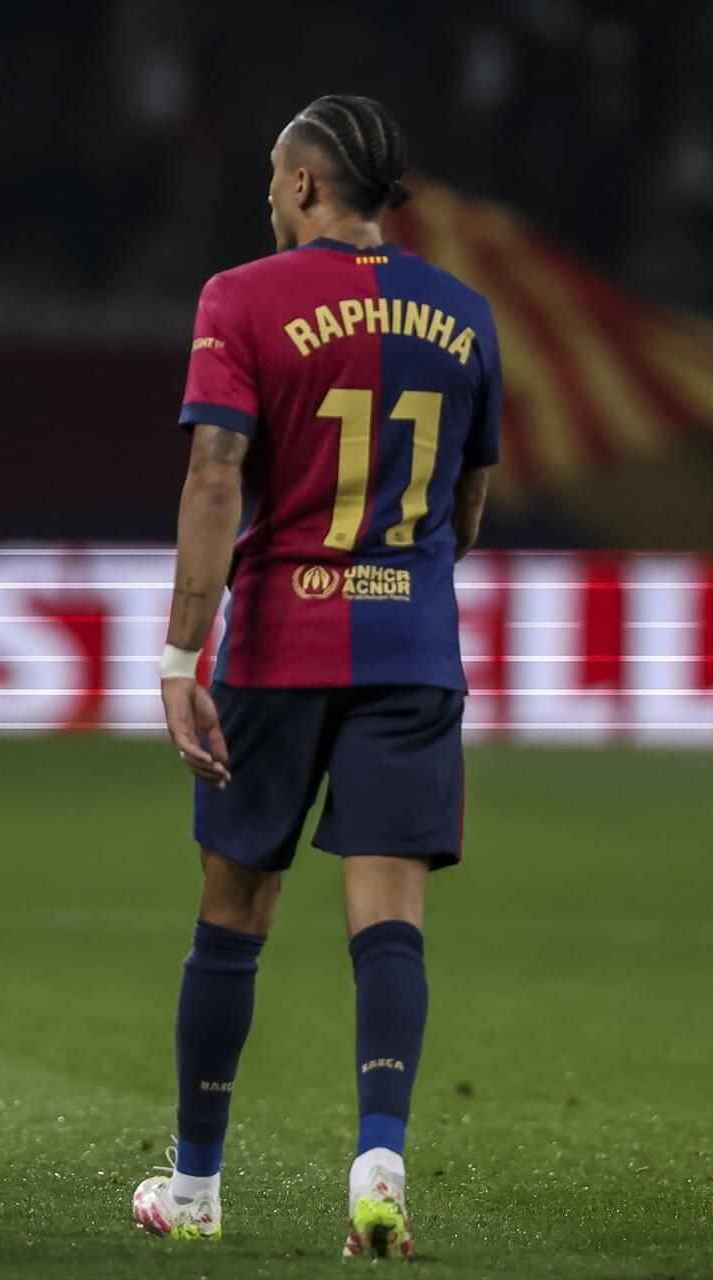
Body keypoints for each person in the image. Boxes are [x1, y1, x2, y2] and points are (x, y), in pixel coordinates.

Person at [130, 95, 499, 1259]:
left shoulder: (241, 298)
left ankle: (193, 1188)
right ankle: (379, 1164)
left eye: (270, 178)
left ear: (300, 186)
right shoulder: (468, 314)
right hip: (411, 652)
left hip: (283, 646)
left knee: (233, 909)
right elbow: (467, 512)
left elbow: (212, 478)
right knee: (389, 918)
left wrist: (183, 651)